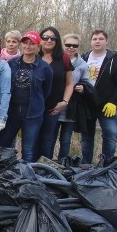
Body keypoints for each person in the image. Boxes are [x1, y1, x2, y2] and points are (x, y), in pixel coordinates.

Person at [0, 31, 52, 161]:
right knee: (3, 147)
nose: (28, 46)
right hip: (11, 113)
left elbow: (46, 91)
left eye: (32, 44)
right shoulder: (11, 64)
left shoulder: (45, 68)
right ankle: (3, 174)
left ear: (38, 47)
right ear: (21, 45)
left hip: (33, 114)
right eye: (25, 43)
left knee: (28, 150)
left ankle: (27, 178)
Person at [80, 29, 117, 163]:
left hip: (107, 106)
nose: (97, 41)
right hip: (87, 105)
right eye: (94, 39)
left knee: (110, 136)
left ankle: (106, 166)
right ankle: (86, 166)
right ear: (91, 42)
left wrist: (114, 102)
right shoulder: (84, 57)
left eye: (100, 39)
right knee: (86, 138)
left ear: (106, 41)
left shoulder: (113, 58)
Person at [38, 26, 74, 160]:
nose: (49, 40)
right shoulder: (34, 56)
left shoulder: (63, 58)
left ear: (57, 40)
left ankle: (45, 169)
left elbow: (70, 83)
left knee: (47, 140)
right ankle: (29, 168)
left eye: (53, 38)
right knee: (32, 139)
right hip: (34, 107)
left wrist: (64, 102)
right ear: (40, 40)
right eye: (45, 37)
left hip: (53, 108)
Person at [57, 33, 90, 160]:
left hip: (72, 107)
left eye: (74, 45)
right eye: (68, 45)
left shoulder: (82, 65)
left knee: (65, 139)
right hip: (55, 106)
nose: (71, 48)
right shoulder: (56, 60)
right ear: (63, 45)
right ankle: (48, 164)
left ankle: (62, 164)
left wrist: (83, 88)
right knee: (50, 137)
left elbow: (88, 83)